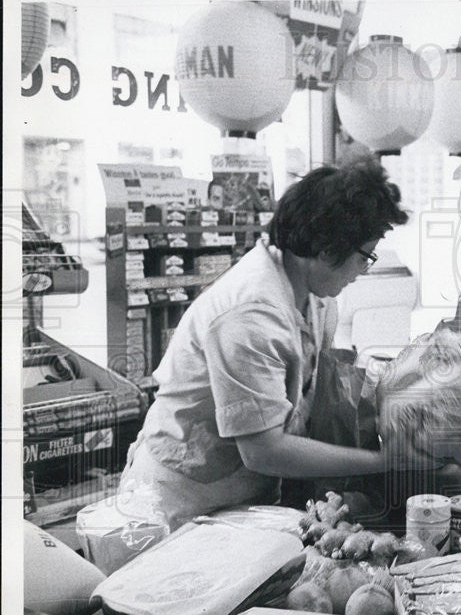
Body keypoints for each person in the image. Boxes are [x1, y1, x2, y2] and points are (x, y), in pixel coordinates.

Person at [118, 158, 409, 529]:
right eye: (363, 258)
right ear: (325, 249)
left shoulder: (317, 298)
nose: (361, 272)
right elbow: (264, 451)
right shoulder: (250, 315)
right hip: (183, 501)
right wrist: (386, 462)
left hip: (242, 496)